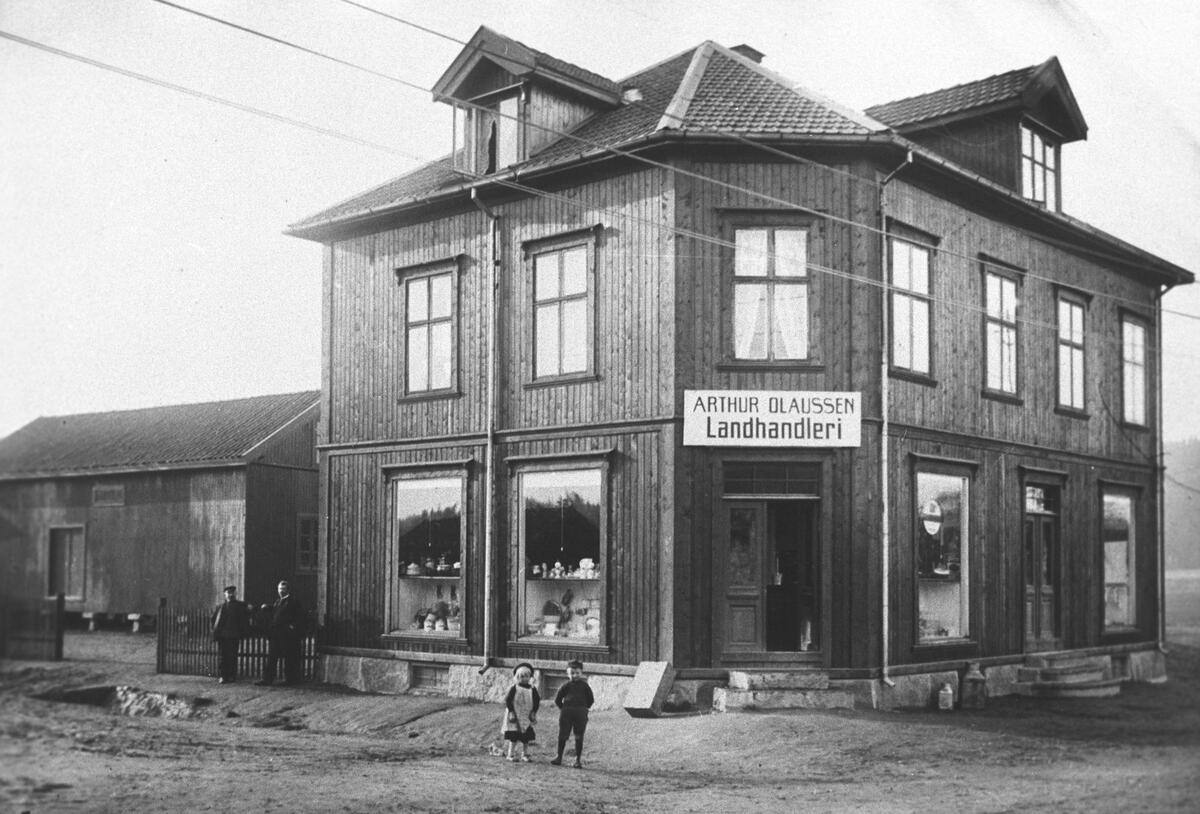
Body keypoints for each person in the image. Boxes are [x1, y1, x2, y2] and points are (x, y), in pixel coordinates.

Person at [256, 580, 306, 686]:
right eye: (279, 589)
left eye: (283, 589)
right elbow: (276, 611)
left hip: (287, 635)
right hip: (276, 634)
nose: (281, 591)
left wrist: (292, 626)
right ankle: (267, 679)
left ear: (288, 590)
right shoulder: (278, 601)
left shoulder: (293, 601)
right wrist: (268, 607)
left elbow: (300, 616)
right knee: (272, 656)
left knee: (289, 657)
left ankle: (290, 680)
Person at [551, 659, 594, 768]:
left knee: (579, 736)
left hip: (580, 714)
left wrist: (583, 708)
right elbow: (557, 699)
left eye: (577, 673)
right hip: (567, 713)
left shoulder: (585, 686)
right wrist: (564, 708)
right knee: (563, 735)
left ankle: (578, 760)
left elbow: (591, 699)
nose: (574, 675)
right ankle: (559, 757)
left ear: (581, 673)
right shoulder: (566, 686)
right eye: (572, 673)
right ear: (567, 674)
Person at [210, 585, 249, 684]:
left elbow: (248, 614)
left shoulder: (241, 605)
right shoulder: (220, 607)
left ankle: (232, 676)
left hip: (234, 635)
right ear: (225, 594)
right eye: (228, 593)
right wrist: (215, 632)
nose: (230, 595)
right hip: (223, 636)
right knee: (223, 657)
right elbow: (213, 620)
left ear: (235, 594)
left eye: (232, 593)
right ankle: (223, 676)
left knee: (232, 656)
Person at [501, 662, 540, 762]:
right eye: (521, 676)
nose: (524, 679)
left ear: (530, 677)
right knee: (514, 736)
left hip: (526, 714)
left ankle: (525, 754)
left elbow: (536, 701)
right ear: (517, 677)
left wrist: (534, 712)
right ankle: (511, 754)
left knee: (525, 737)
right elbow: (508, 700)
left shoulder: (532, 689)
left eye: (526, 676)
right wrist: (511, 712)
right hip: (515, 714)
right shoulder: (514, 688)